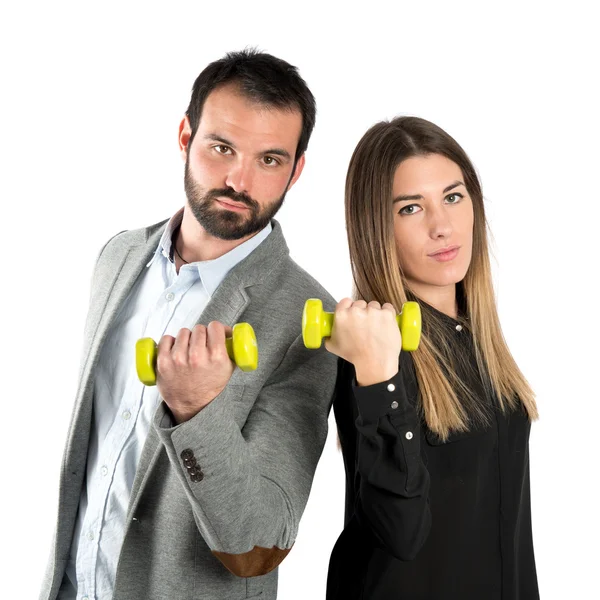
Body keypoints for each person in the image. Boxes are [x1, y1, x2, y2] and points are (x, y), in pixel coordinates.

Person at [40, 49, 337, 600]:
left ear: (296, 171)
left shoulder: (306, 318)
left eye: (269, 160)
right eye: (221, 147)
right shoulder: (119, 256)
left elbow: (260, 541)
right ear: (185, 136)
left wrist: (199, 413)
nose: (238, 179)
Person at [325, 116, 539, 599]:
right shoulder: (370, 348)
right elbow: (400, 532)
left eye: (452, 196)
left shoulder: (479, 339)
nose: (441, 226)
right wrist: (379, 376)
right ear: (376, 226)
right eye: (410, 208)